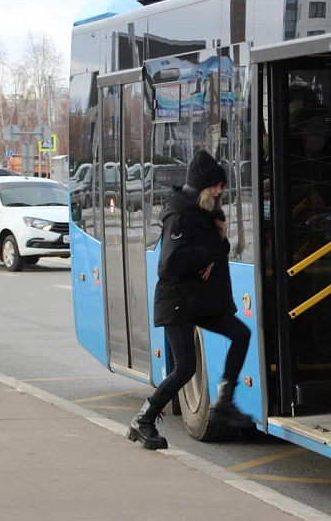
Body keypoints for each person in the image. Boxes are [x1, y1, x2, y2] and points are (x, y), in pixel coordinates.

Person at [128, 150, 253, 450]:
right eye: (215, 186)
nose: (220, 191)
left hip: (198, 301)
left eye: (222, 185)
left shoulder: (207, 213)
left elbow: (213, 253)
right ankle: (143, 420)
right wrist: (210, 252)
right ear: (201, 187)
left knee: (241, 334)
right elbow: (170, 262)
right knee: (186, 367)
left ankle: (224, 402)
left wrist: (220, 240)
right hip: (177, 302)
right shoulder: (180, 214)